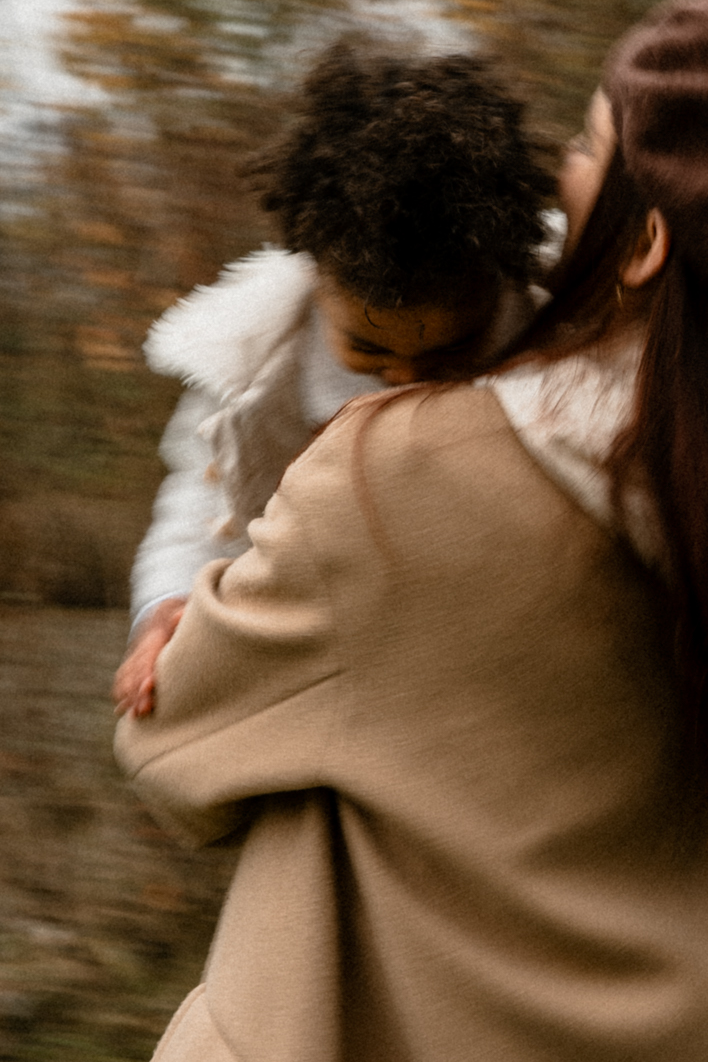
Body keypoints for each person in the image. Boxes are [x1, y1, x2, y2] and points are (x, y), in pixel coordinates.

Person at [114, 0, 708, 1062]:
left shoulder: (397, 472)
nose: (559, 182)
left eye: (588, 145)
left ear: (642, 246)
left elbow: (175, 743)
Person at [117, 41, 557, 715]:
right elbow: (198, 506)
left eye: (453, 350)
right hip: (335, 620)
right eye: (366, 346)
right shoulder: (255, 368)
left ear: (502, 285)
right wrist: (164, 605)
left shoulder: (562, 323)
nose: (406, 376)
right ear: (314, 280)